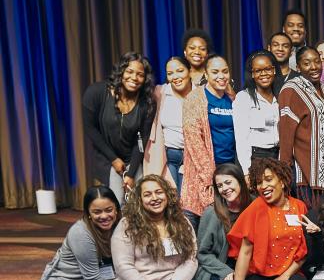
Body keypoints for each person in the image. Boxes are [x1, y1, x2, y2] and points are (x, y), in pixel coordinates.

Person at [82, 52, 157, 202]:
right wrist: (114, 159)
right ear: (121, 71)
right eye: (129, 71)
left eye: (140, 74)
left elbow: (141, 140)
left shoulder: (147, 102)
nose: (134, 78)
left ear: (145, 79)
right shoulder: (96, 92)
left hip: (133, 157)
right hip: (107, 157)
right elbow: (90, 128)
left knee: (139, 200)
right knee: (117, 200)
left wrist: (131, 173)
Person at [278, 46, 324, 202]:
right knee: (313, 221)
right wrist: (283, 173)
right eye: (307, 63)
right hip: (308, 175)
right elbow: (285, 133)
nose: (314, 67)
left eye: (317, 61)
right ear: (297, 67)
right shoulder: (290, 90)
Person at [181, 55, 235, 221]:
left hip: (230, 169)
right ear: (206, 73)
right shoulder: (195, 98)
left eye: (225, 71)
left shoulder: (232, 98)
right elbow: (193, 141)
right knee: (206, 219)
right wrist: (210, 177)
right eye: (215, 72)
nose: (221, 76)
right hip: (205, 173)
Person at [144, 56, 192, 192]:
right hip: (169, 155)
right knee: (170, 197)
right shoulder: (161, 93)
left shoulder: (200, 93)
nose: (175, 76)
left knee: (188, 201)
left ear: (189, 71)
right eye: (170, 73)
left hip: (192, 157)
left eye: (180, 71)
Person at [234, 50, 281, 175]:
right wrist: (246, 171)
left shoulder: (281, 97)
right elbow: (241, 138)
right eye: (258, 71)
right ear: (252, 74)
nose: (264, 74)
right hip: (256, 157)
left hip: (277, 157)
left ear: (274, 70)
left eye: (268, 69)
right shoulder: (244, 97)